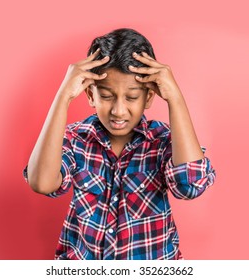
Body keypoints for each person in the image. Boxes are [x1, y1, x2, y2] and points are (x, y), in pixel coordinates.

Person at [23, 28, 216, 260]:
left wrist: (175, 98)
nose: (118, 110)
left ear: (149, 97)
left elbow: (190, 186)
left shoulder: (163, 141)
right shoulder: (75, 140)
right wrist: (63, 96)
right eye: (106, 96)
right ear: (90, 95)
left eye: (132, 97)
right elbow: (42, 183)